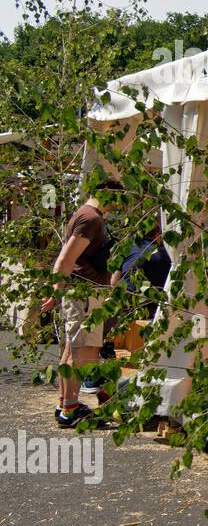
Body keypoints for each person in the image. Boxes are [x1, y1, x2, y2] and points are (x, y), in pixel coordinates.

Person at [41, 178, 122, 427]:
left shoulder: (85, 215)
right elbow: (65, 260)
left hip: (81, 292)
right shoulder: (91, 219)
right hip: (85, 293)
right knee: (84, 353)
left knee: (72, 351)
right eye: (119, 199)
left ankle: (66, 404)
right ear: (108, 194)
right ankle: (70, 410)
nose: (119, 205)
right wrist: (56, 292)